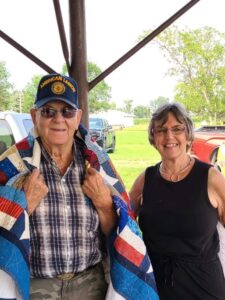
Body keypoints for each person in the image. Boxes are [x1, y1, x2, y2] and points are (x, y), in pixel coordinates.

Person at [0, 73, 116, 300]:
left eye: (67, 111)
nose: (58, 119)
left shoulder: (97, 164)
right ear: (35, 116)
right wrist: (24, 205)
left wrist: (104, 205)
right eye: (48, 111)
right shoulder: (13, 167)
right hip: (34, 287)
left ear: (78, 117)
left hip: (90, 286)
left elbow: (117, 230)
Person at [129, 102, 225, 300]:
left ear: (188, 135)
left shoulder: (211, 178)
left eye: (177, 129)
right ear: (153, 138)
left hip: (203, 287)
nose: (169, 136)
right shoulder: (145, 180)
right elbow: (123, 224)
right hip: (155, 286)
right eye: (161, 130)